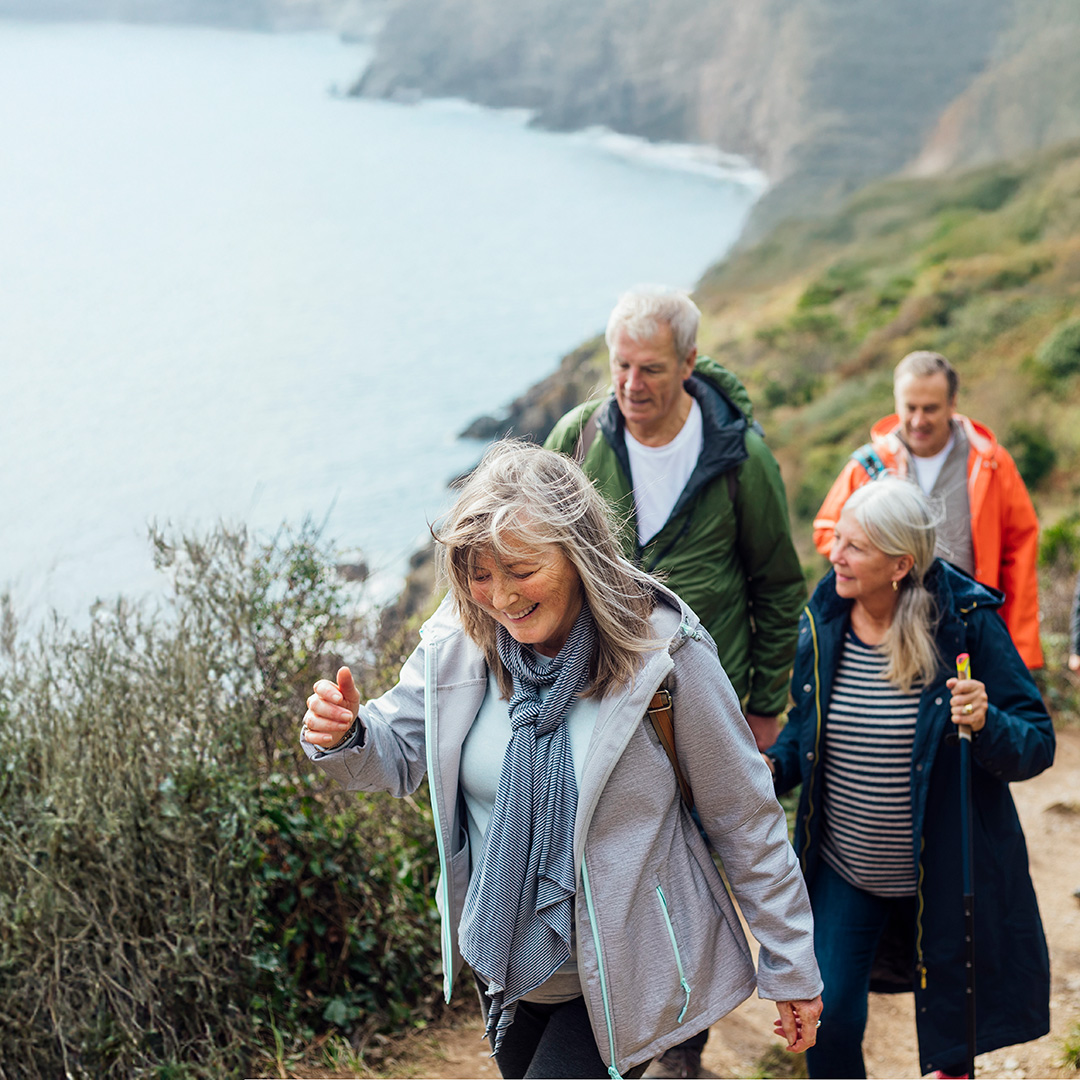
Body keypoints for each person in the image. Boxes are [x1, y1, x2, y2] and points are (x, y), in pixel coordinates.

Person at [301, 441, 823, 1080]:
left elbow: (746, 818)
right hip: (510, 971)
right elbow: (397, 753)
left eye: (521, 569)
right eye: (480, 573)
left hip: (624, 974)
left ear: (579, 555)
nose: (500, 597)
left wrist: (790, 965)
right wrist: (346, 732)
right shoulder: (460, 644)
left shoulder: (663, 658)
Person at [766, 476, 1054, 1079]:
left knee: (953, 1042)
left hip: (946, 877)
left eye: (855, 547)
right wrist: (774, 767)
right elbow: (805, 727)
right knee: (831, 1017)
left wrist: (988, 719)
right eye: (836, 539)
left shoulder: (966, 626)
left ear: (900, 564)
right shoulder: (825, 621)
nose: (834, 556)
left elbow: (1035, 743)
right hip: (846, 869)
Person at [544, 287, 806, 757]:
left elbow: (778, 586)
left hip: (708, 700)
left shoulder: (742, 457)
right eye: (621, 365)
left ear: (688, 364)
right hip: (598, 697)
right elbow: (534, 553)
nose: (631, 383)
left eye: (651, 369)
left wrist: (765, 708)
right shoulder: (577, 438)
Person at [812, 349, 1043, 668]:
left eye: (931, 409)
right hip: (888, 634)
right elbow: (826, 531)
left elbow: (1021, 554)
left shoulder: (991, 463)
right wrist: (876, 559)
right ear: (896, 402)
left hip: (971, 631)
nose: (919, 420)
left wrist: (1023, 648)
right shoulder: (868, 465)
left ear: (952, 403)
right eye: (910, 408)